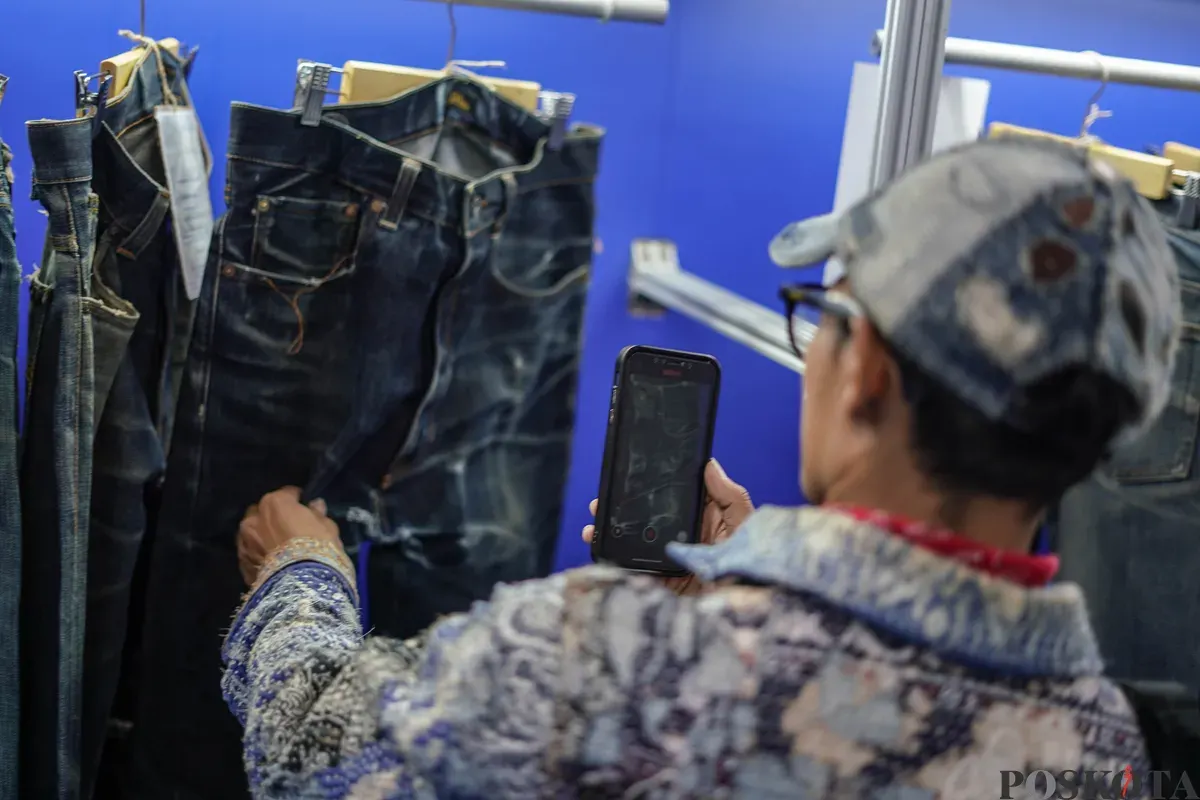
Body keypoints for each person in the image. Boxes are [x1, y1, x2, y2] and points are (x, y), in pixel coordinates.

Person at [223, 139, 1180, 799]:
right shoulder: (1104, 750)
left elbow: (310, 757)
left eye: (825, 315)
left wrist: (300, 579)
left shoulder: (616, 664)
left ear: (870, 372)